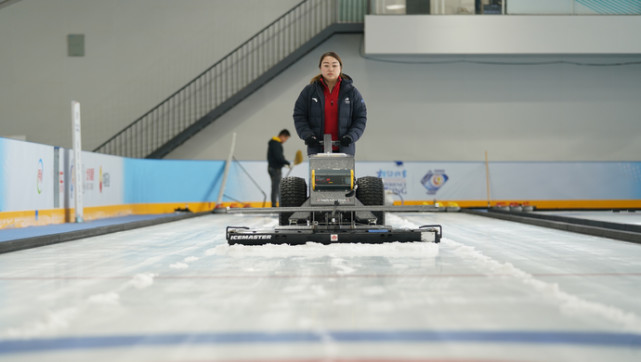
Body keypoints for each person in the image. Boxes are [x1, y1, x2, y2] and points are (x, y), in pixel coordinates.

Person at [293, 51, 367, 155]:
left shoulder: (352, 92)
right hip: (317, 150)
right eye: (326, 65)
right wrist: (308, 135)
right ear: (320, 68)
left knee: (342, 172)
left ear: (340, 68)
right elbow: (299, 116)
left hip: (344, 150)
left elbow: (360, 117)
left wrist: (351, 136)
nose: (330, 69)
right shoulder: (309, 91)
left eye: (334, 65)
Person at [267, 129, 291, 207]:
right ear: (282, 136)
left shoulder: (273, 143)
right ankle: (274, 205)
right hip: (275, 169)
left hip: (272, 168)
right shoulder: (276, 143)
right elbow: (278, 157)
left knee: (275, 187)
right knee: (276, 188)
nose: (285, 141)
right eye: (286, 138)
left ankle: (275, 204)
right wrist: (286, 162)